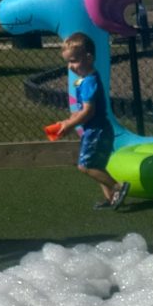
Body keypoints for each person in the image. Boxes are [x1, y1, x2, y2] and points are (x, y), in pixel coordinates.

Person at [57, 33, 130, 211]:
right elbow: (83, 110)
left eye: (74, 61)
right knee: (97, 165)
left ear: (89, 58)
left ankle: (118, 187)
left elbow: (89, 111)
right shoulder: (85, 80)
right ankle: (111, 198)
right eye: (68, 62)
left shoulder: (89, 82)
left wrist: (70, 125)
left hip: (97, 131)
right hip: (97, 129)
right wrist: (69, 120)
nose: (70, 66)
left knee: (86, 166)